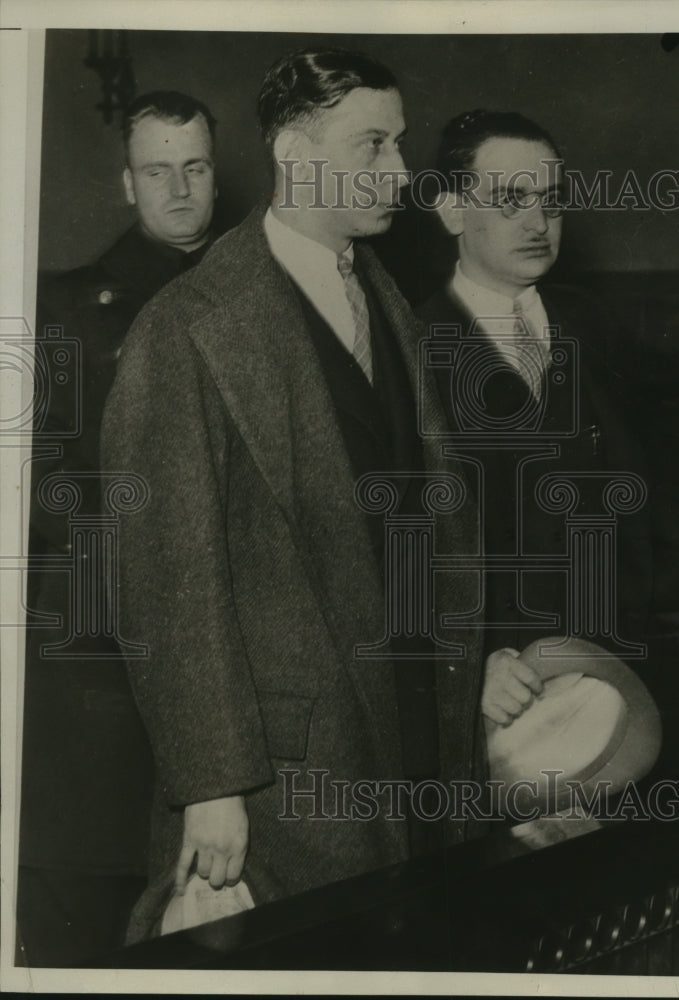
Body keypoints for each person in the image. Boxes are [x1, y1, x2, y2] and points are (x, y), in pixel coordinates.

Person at [101, 49, 485, 944]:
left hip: (417, 728)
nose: (399, 173)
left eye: (399, 145)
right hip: (286, 775)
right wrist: (209, 785)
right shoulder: (189, 325)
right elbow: (166, 577)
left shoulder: (384, 297)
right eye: (373, 147)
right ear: (291, 152)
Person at [18, 91, 219, 965]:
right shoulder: (66, 308)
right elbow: (43, 500)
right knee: (102, 925)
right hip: (113, 671)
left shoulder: (267, 292)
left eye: (197, 168)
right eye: (156, 172)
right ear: (124, 184)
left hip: (239, 664)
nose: (179, 190)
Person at [417, 110, 655, 727]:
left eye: (550, 200)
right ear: (451, 211)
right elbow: (392, 548)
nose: (537, 222)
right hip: (499, 697)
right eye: (510, 200)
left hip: (622, 674)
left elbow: (655, 501)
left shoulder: (595, 326)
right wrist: (466, 663)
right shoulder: (409, 348)